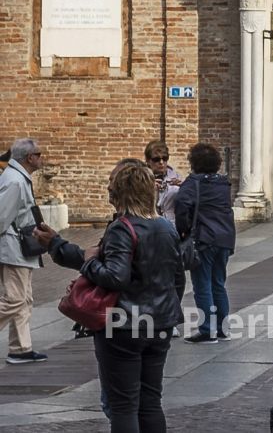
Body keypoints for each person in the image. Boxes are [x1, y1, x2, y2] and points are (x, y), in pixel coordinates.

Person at [38, 159, 185, 433]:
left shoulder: (122, 227)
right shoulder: (166, 227)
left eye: (112, 186)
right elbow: (177, 277)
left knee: (124, 405)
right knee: (150, 402)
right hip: (160, 324)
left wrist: (90, 262)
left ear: (121, 192)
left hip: (123, 326)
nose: (108, 189)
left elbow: (116, 276)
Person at [172, 143, 235, 341]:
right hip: (225, 237)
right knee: (219, 283)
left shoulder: (193, 183)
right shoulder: (223, 183)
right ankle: (223, 328)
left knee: (202, 285)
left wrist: (183, 231)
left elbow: (182, 205)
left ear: (194, 162)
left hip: (204, 239)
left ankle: (208, 330)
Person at [2, 138, 47, 365]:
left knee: (24, 299)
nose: (42, 158)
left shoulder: (18, 177)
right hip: (13, 246)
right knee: (14, 299)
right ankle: (20, 348)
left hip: (20, 245)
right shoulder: (15, 182)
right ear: (30, 158)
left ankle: (20, 348)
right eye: (39, 154)